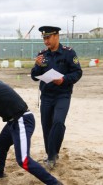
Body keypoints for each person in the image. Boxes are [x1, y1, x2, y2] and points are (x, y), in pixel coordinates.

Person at [31, 26, 83, 169]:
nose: (45, 41)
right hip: (46, 96)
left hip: (62, 95)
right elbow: (35, 77)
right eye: (44, 38)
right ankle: (51, 155)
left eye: (48, 38)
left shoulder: (68, 53)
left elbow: (77, 72)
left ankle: (53, 154)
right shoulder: (42, 55)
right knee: (46, 126)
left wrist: (64, 79)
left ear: (56, 36)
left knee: (58, 122)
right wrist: (37, 66)